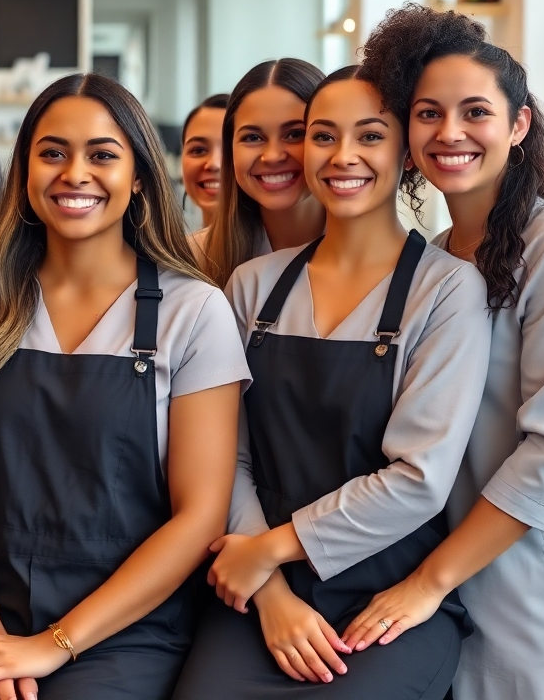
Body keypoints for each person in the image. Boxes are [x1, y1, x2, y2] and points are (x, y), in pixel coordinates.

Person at [0, 72, 247, 700]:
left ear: (141, 178)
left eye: (101, 154)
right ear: (25, 173)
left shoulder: (194, 312)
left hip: (125, 631)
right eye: (52, 153)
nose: (75, 173)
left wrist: (52, 646)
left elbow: (199, 514)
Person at [173, 65, 492, 700]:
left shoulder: (449, 289)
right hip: (258, 587)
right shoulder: (252, 286)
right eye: (322, 136)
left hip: (389, 597)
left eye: (370, 136)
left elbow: (420, 480)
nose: (343, 156)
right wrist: (270, 592)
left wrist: (274, 550)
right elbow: (225, 456)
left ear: (405, 153)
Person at [341, 6, 544, 700]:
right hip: (444, 565)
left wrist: (428, 582)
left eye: (475, 112)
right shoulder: (439, 262)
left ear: (519, 125)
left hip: (528, 568)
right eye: (427, 114)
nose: (449, 133)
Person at [202, 59, 325, 286]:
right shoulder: (192, 260)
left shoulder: (382, 263)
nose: (272, 156)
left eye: (295, 134)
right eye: (252, 137)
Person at [180, 94, 227, 233]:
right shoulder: (176, 252)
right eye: (198, 150)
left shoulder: (279, 252)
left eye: (229, 150)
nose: (214, 164)